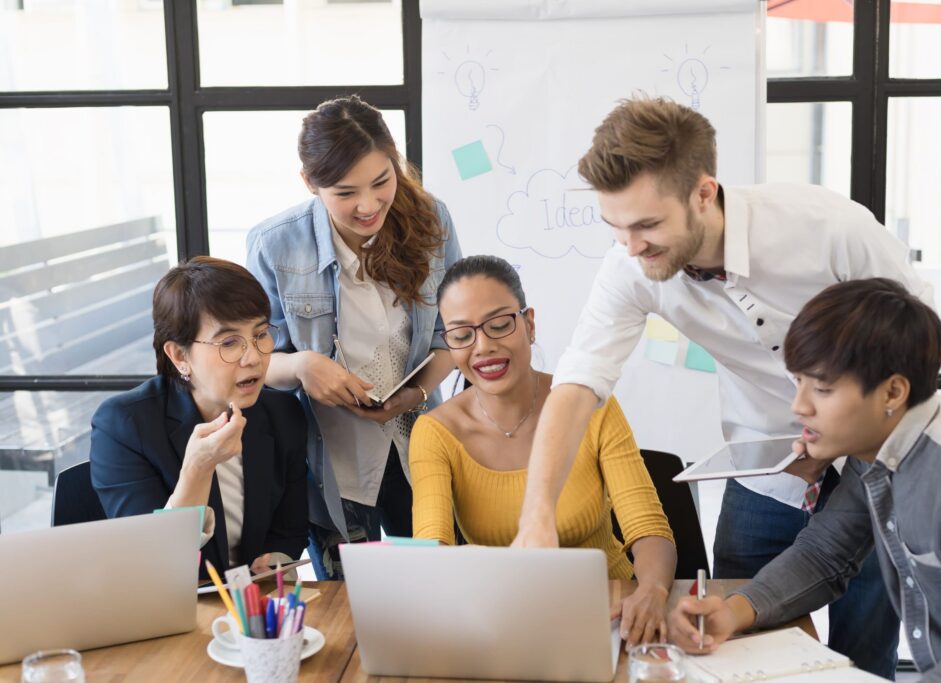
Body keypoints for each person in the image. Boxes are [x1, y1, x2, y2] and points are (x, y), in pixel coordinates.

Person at [513, 96, 930, 678]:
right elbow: (577, 385)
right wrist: (537, 516)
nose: (631, 247)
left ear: (703, 193)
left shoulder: (827, 228)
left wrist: (843, 435)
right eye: (617, 228)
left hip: (874, 460)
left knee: (861, 658)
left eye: (648, 226)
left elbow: (918, 343)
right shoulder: (629, 267)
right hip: (764, 470)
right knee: (731, 641)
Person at [668, 278, 941, 682]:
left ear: (892, 392)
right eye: (798, 382)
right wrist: (732, 611)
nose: (799, 406)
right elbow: (825, 554)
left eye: (821, 388)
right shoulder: (876, 452)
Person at [409, 255, 677, 646]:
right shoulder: (436, 432)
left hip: (610, 612)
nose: (483, 347)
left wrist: (651, 591)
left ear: (529, 323)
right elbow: (431, 549)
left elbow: (649, 528)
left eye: (500, 325)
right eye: (462, 335)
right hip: (502, 621)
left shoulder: (591, 403)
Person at [247, 95, 461, 578]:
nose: (368, 205)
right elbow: (252, 361)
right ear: (310, 183)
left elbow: (454, 334)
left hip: (420, 441)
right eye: (345, 193)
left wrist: (417, 391)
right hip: (330, 463)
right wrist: (301, 366)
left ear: (395, 162)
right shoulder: (274, 243)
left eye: (382, 181)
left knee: (436, 588)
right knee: (350, 606)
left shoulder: (433, 219)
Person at [90, 256, 309, 576]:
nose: (254, 357)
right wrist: (199, 466)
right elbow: (150, 561)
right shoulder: (123, 425)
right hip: (168, 606)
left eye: (261, 334)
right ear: (180, 356)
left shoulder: (282, 413)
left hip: (249, 610)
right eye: (230, 342)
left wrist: (275, 559)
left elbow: (289, 530)